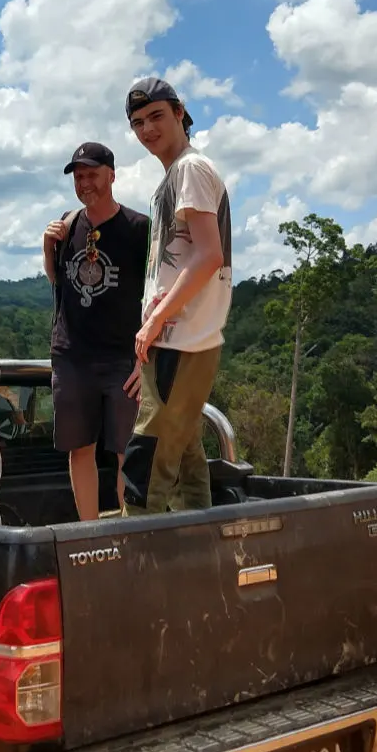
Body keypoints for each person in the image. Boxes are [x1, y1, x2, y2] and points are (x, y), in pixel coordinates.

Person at [121, 77, 232, 515]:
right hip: (172, 340)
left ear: (181, 112)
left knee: (146, 467)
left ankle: (139, 575)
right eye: (137, 123)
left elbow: (208, 254)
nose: (147, 129)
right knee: (184, 455)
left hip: (180, 340)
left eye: (156, 117)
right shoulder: (171, 179)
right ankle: (202, 562)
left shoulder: (190, 169)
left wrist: (153, 322)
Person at [43, 141, 149, 520]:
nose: (85, 182)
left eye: (93, 174)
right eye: (79, 175)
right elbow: (62, 284)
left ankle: (126, 533)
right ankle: (89, 533)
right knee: (80, 447)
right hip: (73, 355)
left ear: (112, 175)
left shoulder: (139, 229)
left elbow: (155, 295)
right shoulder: (68, 225)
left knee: (127, 450)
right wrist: (46, 248)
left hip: (123, 357)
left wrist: (145, 360)